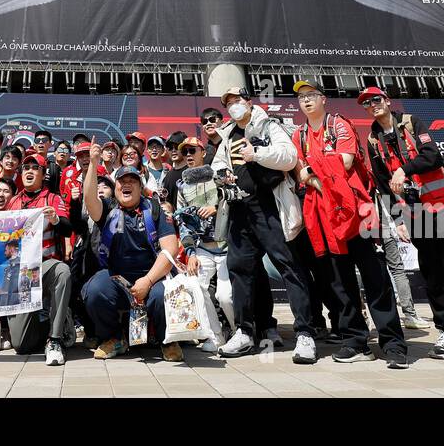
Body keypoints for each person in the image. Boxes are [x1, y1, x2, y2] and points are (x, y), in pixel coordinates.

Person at [362, 85, 444, 366]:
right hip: (417, 216)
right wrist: (397, 220)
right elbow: (383, 186)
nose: (372, 105)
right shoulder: (373, 140)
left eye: (376, 99)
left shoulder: (411, 122)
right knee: (433, 278)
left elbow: (431, 156)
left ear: (386, 100)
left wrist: (403, 169)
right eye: (366, 103)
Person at [291, 82, 410, 369]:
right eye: (301, 98)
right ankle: (355, 340)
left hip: (358, 211)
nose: (306, 101)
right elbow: (298, 172)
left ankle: (393, 343)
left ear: (323, 99)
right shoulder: (300, 134)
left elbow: (343, 162)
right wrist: (314, 173)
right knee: (339, 281)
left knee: (375, 278)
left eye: (311, 96)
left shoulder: (338, 124)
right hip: (324, 216)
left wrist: (313, 172)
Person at [210, 87, 318, 364]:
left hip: (269, 206)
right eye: (229, 102)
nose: (233, 106)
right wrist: (223, 175)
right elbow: (217, 164)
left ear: (249, 102)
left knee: (288, 266)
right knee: (240, 270)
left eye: (237, 100)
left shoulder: (269, 124)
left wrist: (256, 152)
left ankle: (305, 333)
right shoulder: (226, 133)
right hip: (239, 209)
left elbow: (289, 157)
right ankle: (246, 331)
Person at [81, 144, 183, 362]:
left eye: (132, 181)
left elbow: (170, 250)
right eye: (122, 181)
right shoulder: (108, 209)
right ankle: (114, 338)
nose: (127, 185)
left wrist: (147, 281)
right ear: (116, 187)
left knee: (161, 295)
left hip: (153, 275)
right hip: (117, 277)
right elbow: (90, 200)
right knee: (94, 290)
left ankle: (168, 340)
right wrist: (93, 163)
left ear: (140, 187)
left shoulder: (154, 209)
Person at [7, 150, 73, 365]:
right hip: (21, 272)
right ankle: (57, 319)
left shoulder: (53, 199)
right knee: (21, 345)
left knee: (63, 272)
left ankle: (55, 339)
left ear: (43, 174)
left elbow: (66, 228)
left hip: (45, 266)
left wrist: (55, 219)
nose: (29, 171)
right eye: (26, 167)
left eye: (35, 168)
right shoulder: (13, 202)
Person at [175, 136, 231, 351]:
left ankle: (239, 332)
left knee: (226, 296)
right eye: (185, 152)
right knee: (197, 287)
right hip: (203, 247)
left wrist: (218, 207)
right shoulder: (181, 185)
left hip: (228, 245)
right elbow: (182, 221)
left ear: (203, 152)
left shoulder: (219, 176)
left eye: (192, 150)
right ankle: (215, 335)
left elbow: (236, 199)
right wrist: (190, 252)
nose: (188, 155)